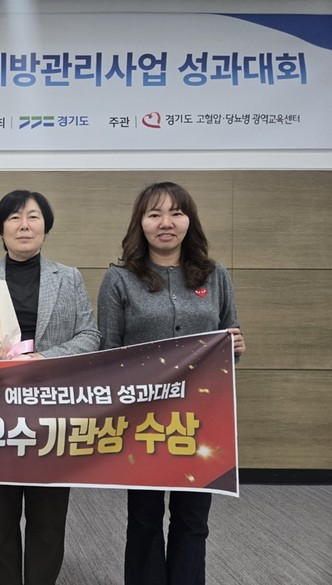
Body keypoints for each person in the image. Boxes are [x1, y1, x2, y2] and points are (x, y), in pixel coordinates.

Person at [96, 181, 246, 585]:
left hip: (201, 419)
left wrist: (235, 345)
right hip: (143, 420)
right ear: (141, 223)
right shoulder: (119, 279)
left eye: (176, 213)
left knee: (193, 519)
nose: (166, 222)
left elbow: (229, 337)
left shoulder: (215, 275)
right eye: (155, 214)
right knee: (144, 518)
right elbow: (108, 353)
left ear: (189, 221)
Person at [0, 189, 101, 585]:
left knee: (48, 519)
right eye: (14, 218)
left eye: (33, 217)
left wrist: (44, 358)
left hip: (53, 414)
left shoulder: (68, 277)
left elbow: (90, 335)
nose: (23, 225)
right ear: (1, 229)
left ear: (45, 227)